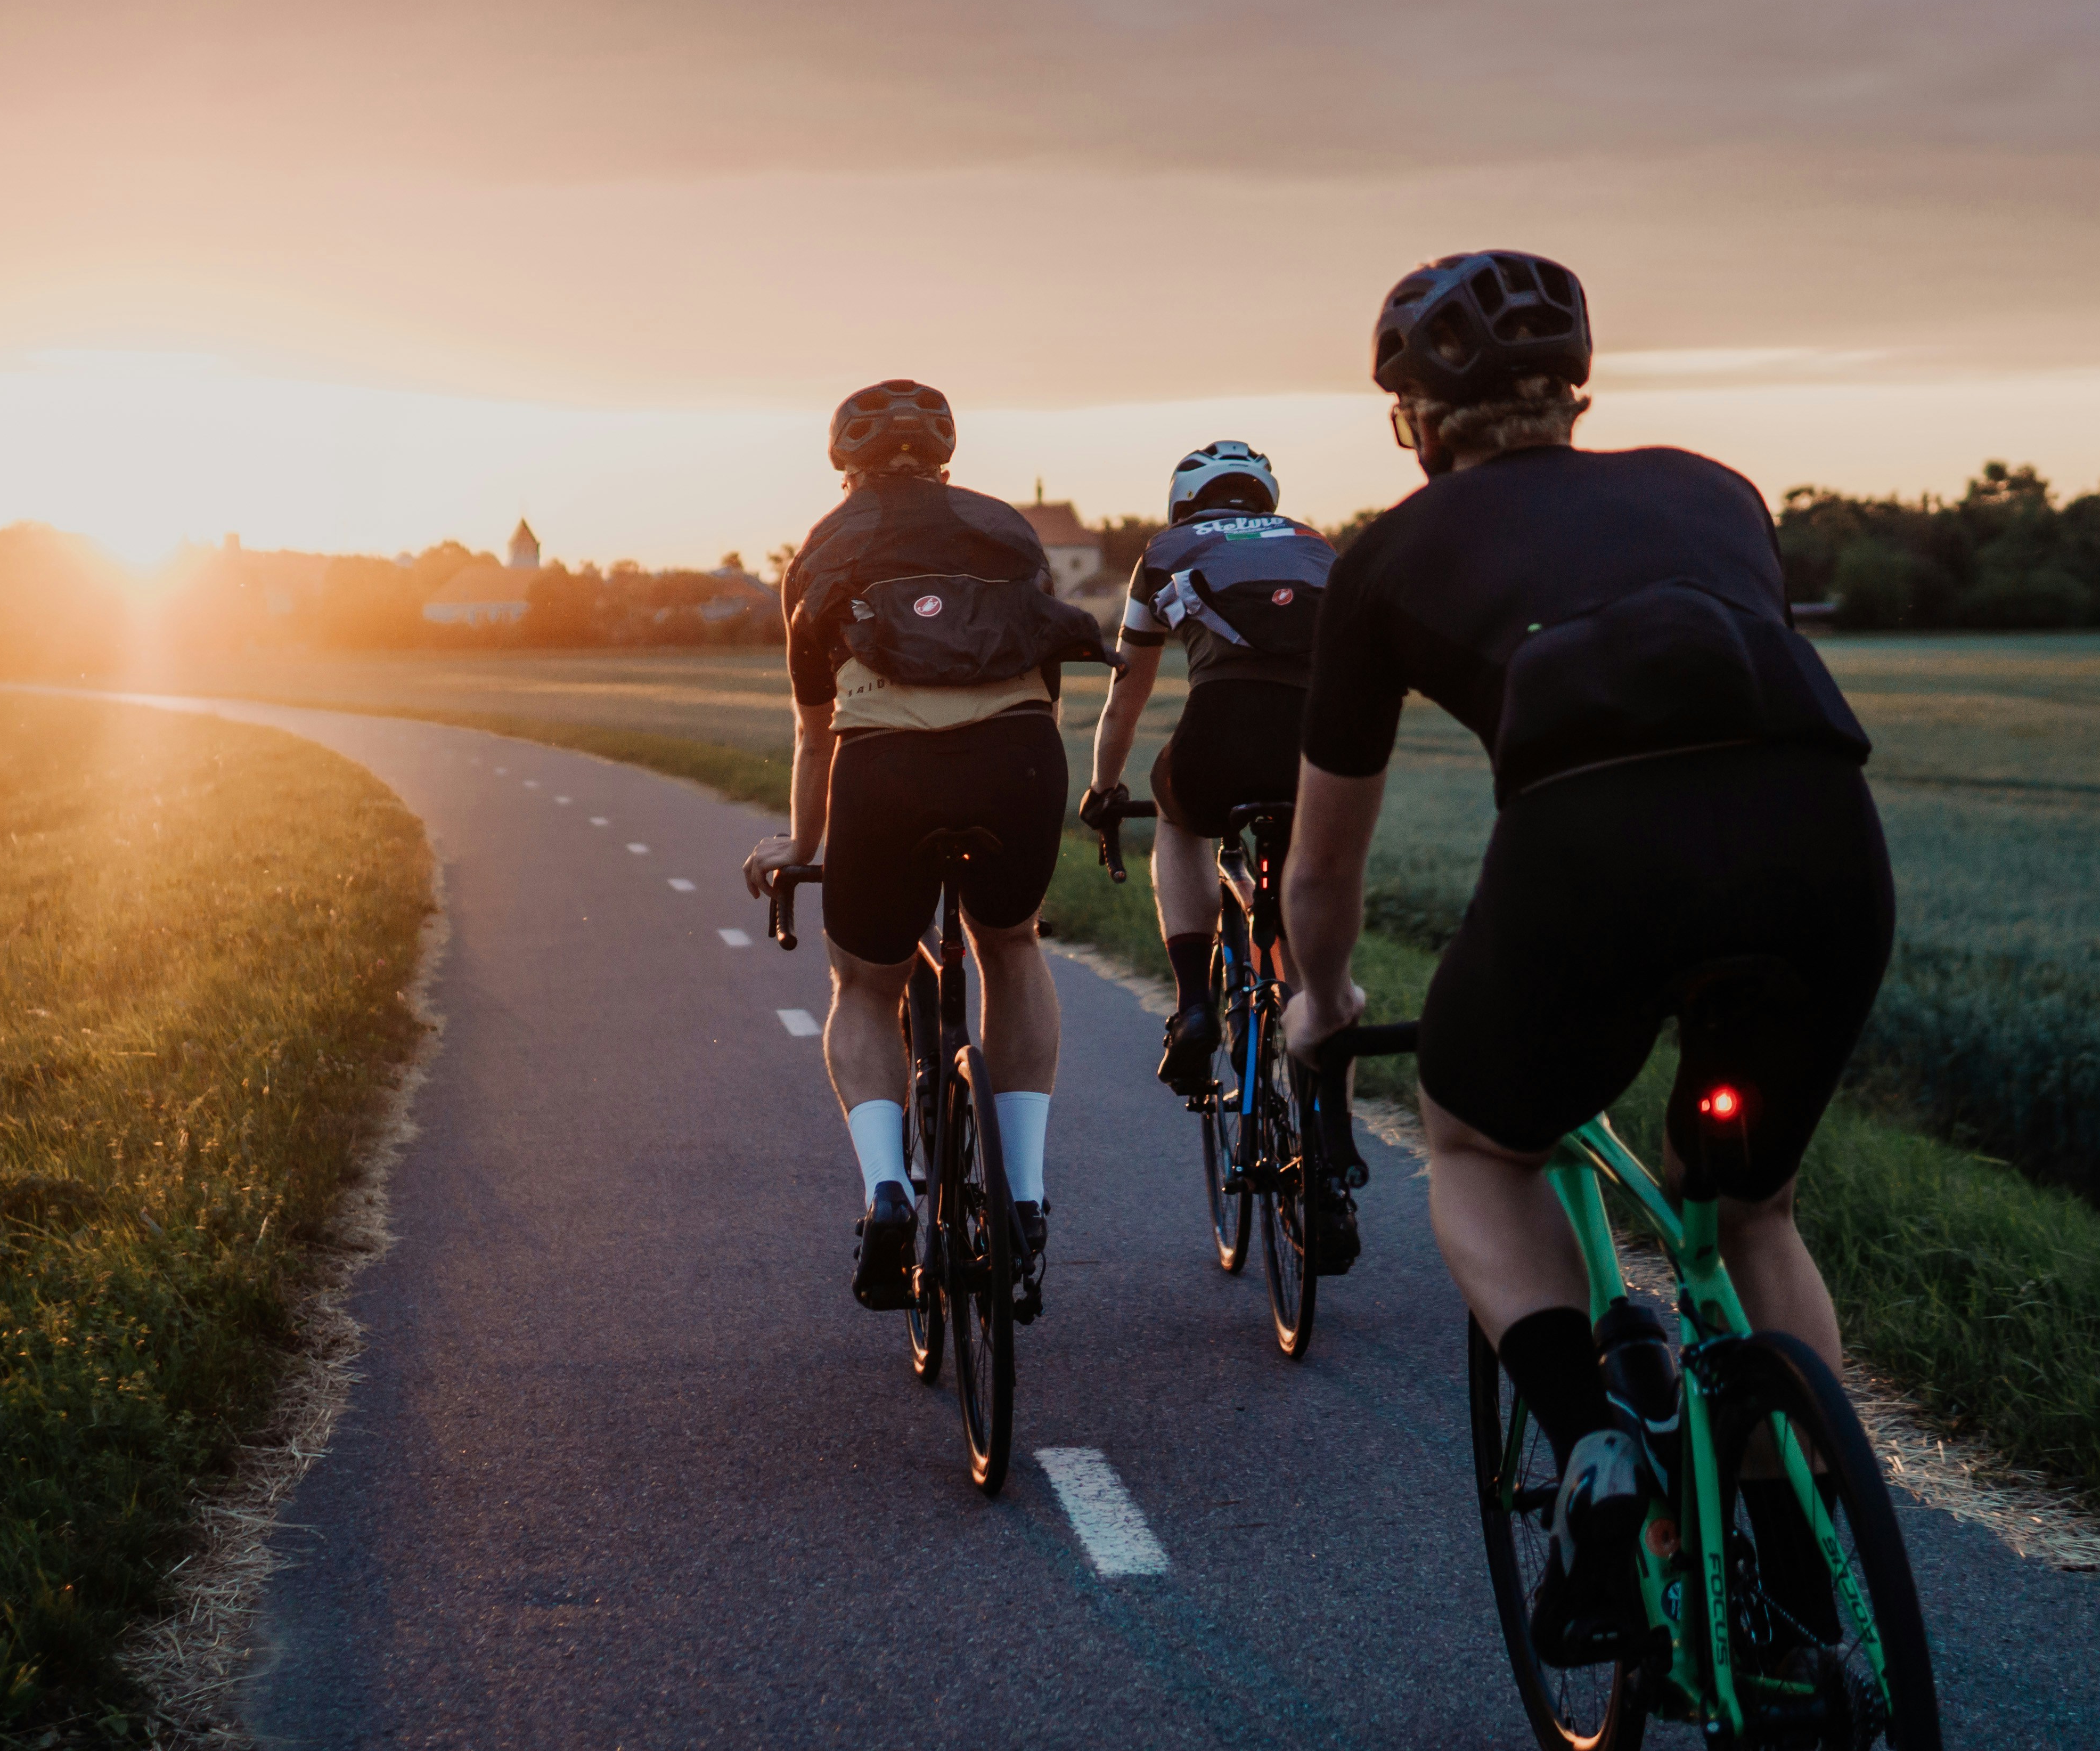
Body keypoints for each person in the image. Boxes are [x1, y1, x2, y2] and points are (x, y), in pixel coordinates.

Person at [1277, 250, 1889, 1663]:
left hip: (1595, 858)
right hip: (1823, 842)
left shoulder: (1380, 562)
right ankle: (1798, 1585)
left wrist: (1323, 998)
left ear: (1414, 421)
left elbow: (1321, 865)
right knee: (1752, 1207)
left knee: (1482, 1137)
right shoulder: (1715, 487)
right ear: (1575, 394)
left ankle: (1596, 1452)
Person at [745, 380, 1117, 1315]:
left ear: (845, 465)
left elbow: (814, 734)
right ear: (944, 455)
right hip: (1019, 761)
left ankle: (886, 1194)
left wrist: (805, 842)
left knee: (864, 985)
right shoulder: (1007, 530)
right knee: (1012, 943)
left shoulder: (823, 551)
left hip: (887, 772)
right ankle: (1024, 1196)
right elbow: (1042, 674)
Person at [1076, 443, 1337, 1102]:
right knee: (1312, 960)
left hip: (1217, 736)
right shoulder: (1317, 545)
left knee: (1180, 813)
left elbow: (1123, 702)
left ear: (1183, 501)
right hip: (1317, 748)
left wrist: (1104, 789)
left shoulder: (1166, 550)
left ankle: (1194, 1003)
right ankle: (1328, 1141)